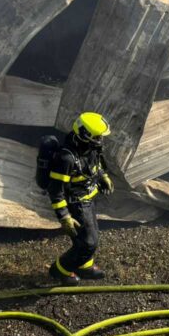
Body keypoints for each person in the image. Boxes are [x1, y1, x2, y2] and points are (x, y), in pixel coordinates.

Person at [47, 112, 115, 286]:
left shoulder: (89, 148)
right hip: (76, 205)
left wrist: (103, 177)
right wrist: (64, 216)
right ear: (86, 136)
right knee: (89, 243)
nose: (100, 140)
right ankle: (60, 270)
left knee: (90, 235)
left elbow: (95, 166)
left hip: (88, 200)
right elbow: (55, 190)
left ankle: (84, 266)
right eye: (98, 136)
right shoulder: (66, 159)